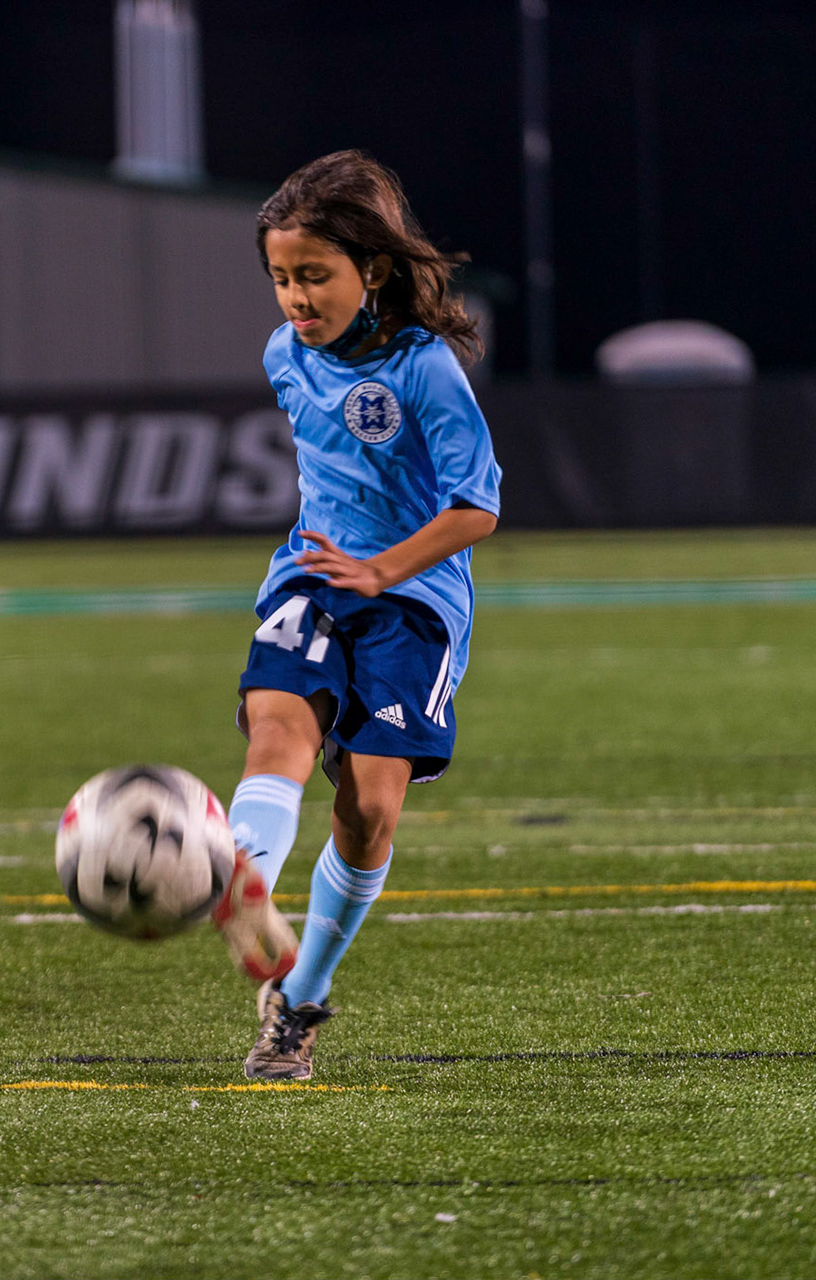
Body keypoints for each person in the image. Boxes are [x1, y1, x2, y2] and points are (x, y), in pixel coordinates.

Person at [210, 150, 500, 1081]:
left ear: (371, 269)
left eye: (314, 275)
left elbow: (477, 508)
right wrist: (342, 567)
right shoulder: (283, 355)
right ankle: (244, 876)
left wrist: (381, 570)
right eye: (281, 278)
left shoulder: (426, 369)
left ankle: (297, 1002)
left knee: (370, 808)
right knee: (278, 730)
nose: (296, 298)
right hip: (309, 579)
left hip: (413, 600)